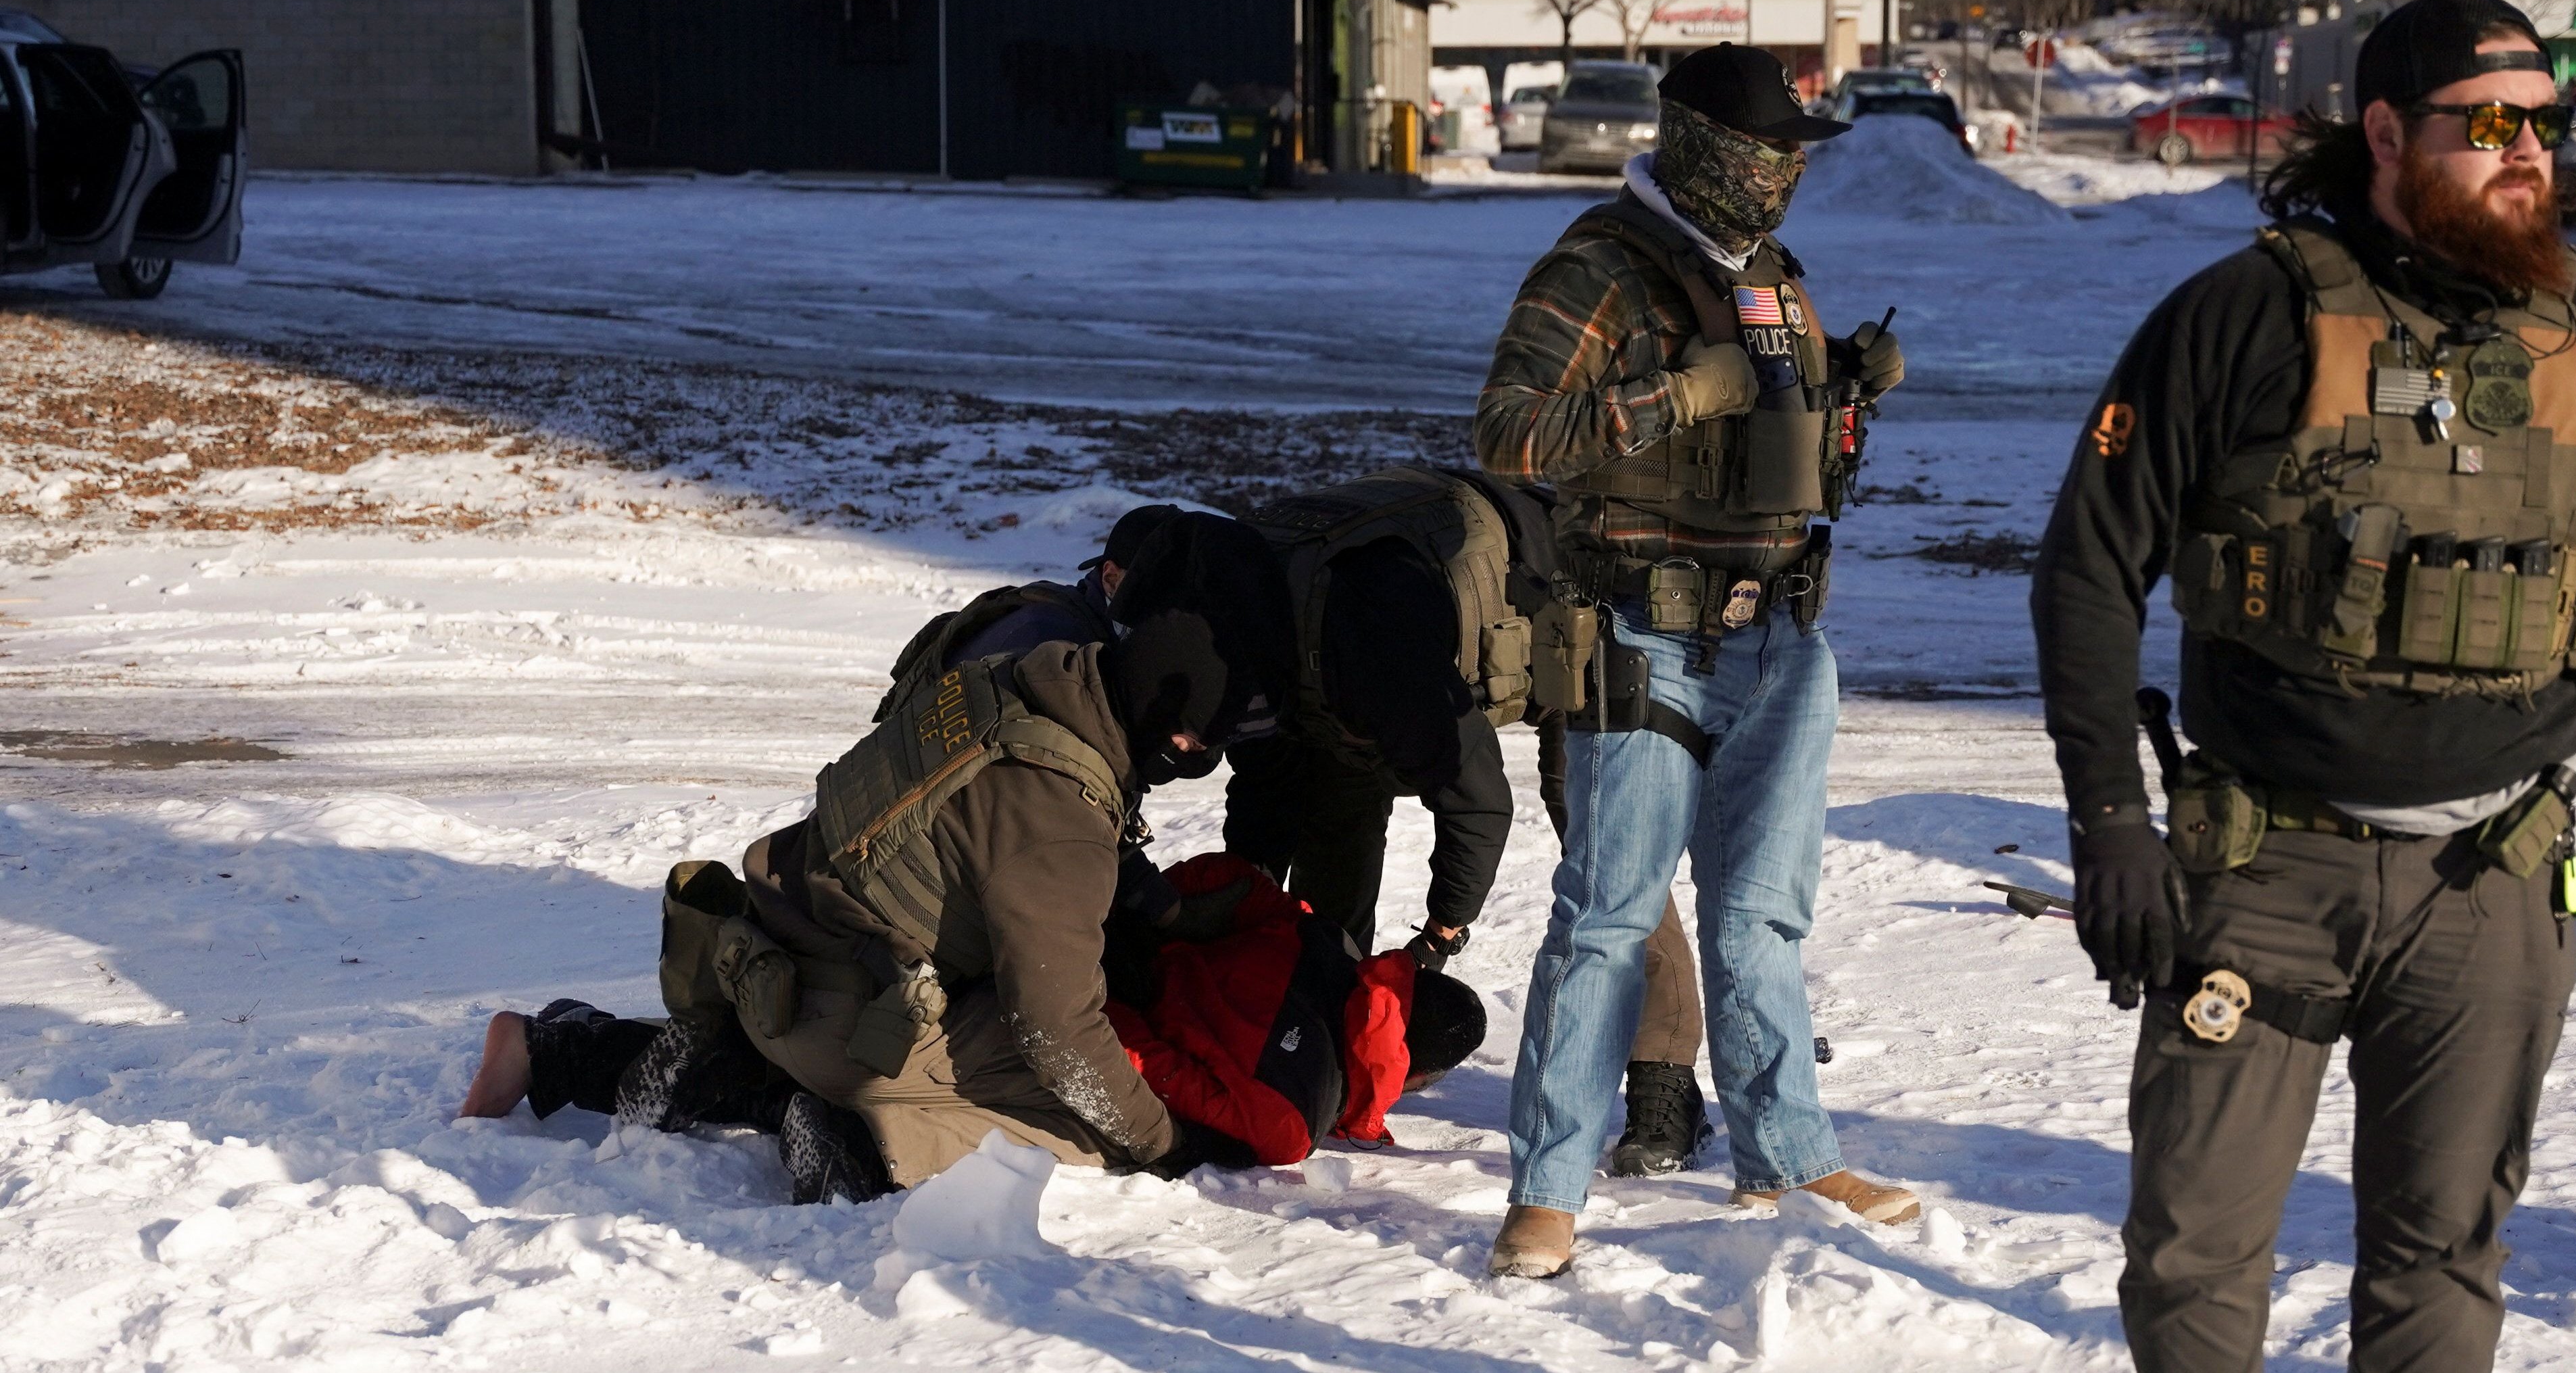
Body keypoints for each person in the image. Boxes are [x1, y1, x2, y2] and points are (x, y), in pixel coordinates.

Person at [2030, 0, 2576, 1372]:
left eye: (2549, 124)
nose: (2532, 155)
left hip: (2496, 885)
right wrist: (2108, 822)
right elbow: (2091, 568)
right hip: (2263, 874)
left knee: (2442, 1258)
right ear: (2388, 132)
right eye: (2492, 124)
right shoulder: (2245, 317)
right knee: (2194, 1256)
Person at [1472, 41, 1914, 1278]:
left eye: (1796, 154)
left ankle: (1788, 1155)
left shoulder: (1776, 277)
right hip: (1639, 632)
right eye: (1770, 150)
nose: (1785, 173)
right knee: (1607, 919)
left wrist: (1848, 403)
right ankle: (1547, 1188)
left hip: (1781, 636)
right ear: (1709, 145)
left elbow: (1808, 480)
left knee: (1763, 920)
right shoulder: (1599, 267)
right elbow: (1509, 433)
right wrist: (1681, 397)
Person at [461, 612, 1285, 1203]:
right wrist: (1167, 1144)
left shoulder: (1013, 680)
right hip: (851, 1017)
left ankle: (563, 1052)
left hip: (772, 939)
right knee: (1088, 1104)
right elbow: (1060, 1039)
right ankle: (865, 1142)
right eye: (1200, 745)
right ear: (1172, 733)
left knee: (967, 1017)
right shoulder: (1058, 823)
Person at [1109, 477, 1726, 1179]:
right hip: (1362, 645)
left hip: (1565, 601)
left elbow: (1479, 801)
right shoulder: (1236, 629)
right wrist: (1241, 919)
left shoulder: (1371, 639)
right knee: (1333, 804)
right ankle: (1329, 1026)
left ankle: (1664, 1080)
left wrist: (1440, 934)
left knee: (1606, 839)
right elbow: (1271, 786)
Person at [1102, 851, 1489, 1167]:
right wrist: (1092, 997)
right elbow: (1139, 1068)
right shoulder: (1291, 1124)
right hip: (1087, 1002)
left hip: (1106, 912)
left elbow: (1231, 882)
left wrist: (1160, 910)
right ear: (1414, 1078)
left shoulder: (1330, 942)